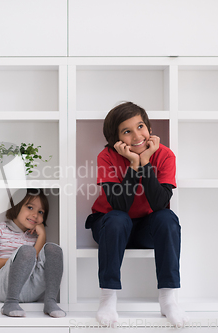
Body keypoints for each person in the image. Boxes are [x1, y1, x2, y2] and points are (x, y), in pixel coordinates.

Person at [85, 102, 189, 327]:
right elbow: (119, 205)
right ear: (117, 139)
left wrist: (146, 162)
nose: (136, 135)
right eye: (127, 131)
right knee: (118, 218)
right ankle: (108, 298)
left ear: (149, 128)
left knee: (168, 218)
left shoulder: (164, 155)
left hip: (144, 228)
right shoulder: (107, 156)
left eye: (140, 126)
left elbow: (161, 203)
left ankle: (168, 299)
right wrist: (134, 164)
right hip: (109, 226)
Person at [0, 188, 65, 318]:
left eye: (41, 212)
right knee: (27, 251)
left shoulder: (36, 237)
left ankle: (50, 301)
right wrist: (16, 260)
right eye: (30, 207)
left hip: (31, 289)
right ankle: (10, 302)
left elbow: (35, 261)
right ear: (16, 205)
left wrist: (42, 236)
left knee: (54, 249)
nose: (35, 215)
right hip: (5, 288)